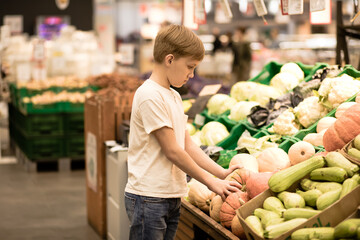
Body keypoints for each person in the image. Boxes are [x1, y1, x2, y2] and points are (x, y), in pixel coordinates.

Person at [124, 24, 242, 240]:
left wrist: (221, 173)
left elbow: (187, 145)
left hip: (170, 195)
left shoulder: (174, 97)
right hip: (149, 197)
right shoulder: (150, 95)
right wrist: (211, 182)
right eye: (190, 66)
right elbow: (173, 151)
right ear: (169, 60)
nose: (192, 74)